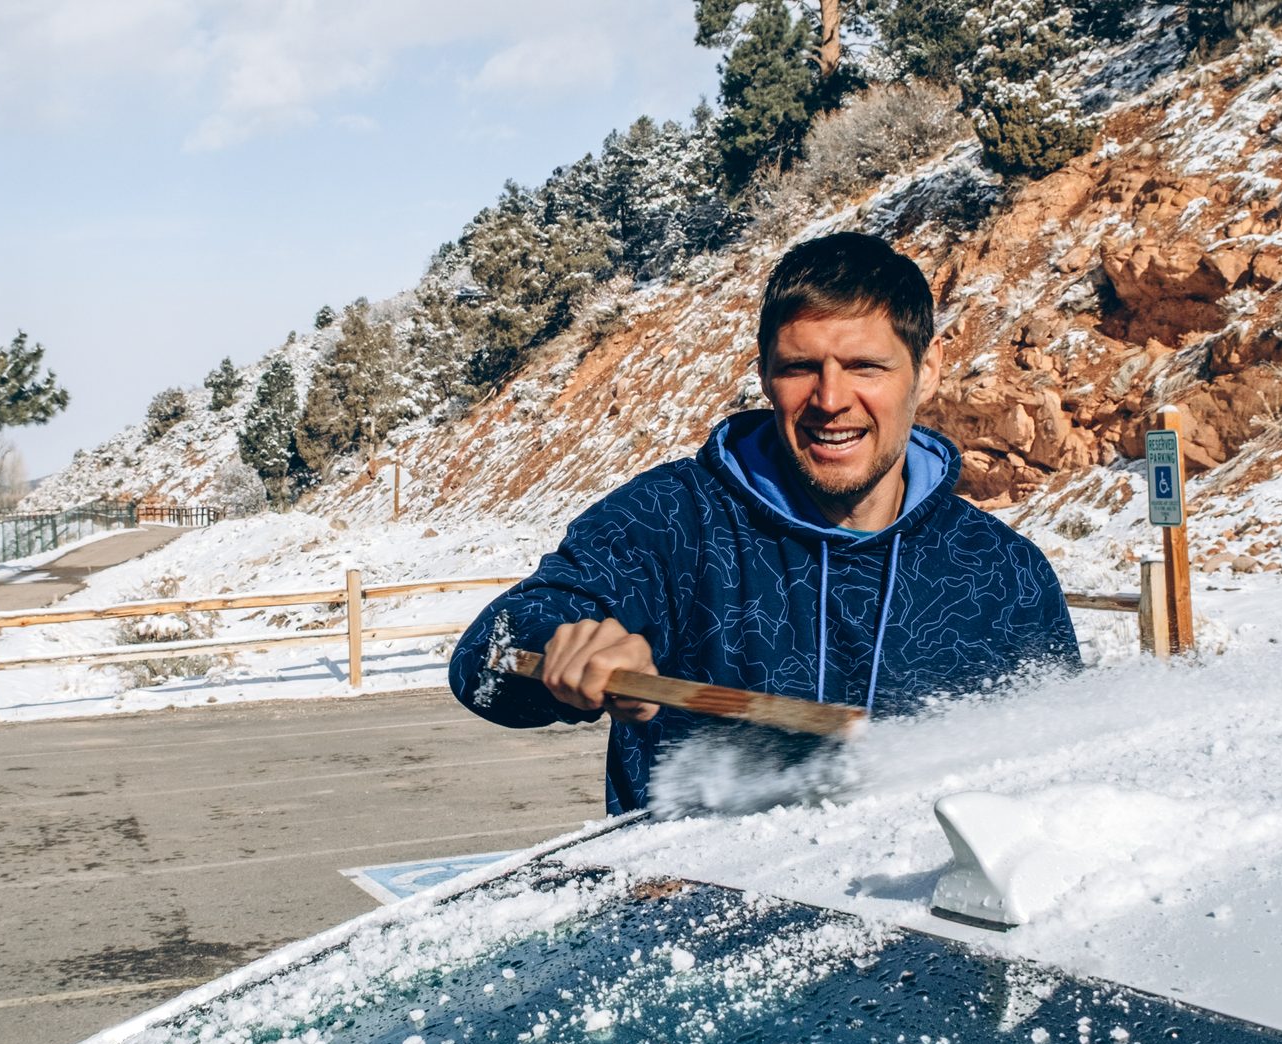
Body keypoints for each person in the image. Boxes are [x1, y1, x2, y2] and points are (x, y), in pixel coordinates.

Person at [448, 232, 1080, 815]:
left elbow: (1058, 781)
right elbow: (483, 663)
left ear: (929, 366)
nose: (830, 401)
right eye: (800, 367)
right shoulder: (672, 521)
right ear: (764, 373)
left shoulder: (1003, 573)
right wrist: (564, 646)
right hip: (687, 925)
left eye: (865, 366)